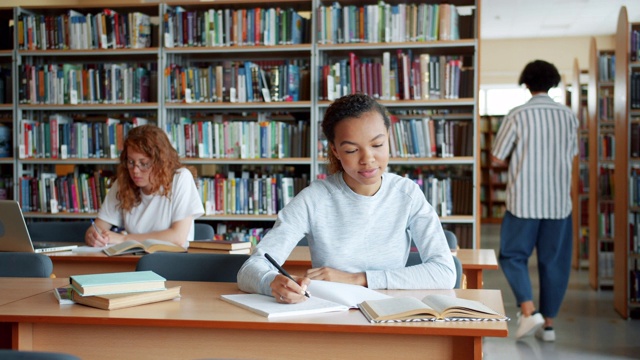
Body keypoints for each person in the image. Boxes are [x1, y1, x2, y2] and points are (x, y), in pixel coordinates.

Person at [237, 93, 456, 304]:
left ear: (389, 138)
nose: (368, 159)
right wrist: (273, 282)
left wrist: (359, 279)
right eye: (351, 150)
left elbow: (444, 272)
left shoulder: (407, 194)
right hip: (332, 313)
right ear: (335, 150)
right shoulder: (314, 199)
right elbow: (250, 269)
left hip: (390, 313)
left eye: (378, 145)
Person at [491, 60, 579, 342]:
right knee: (555, 263)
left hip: (523, 202)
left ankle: (528, 310)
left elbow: (496, 157)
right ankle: (549, 325)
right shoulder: (568, 116)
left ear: (526, 83)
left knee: (512, 255)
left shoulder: (517, 115)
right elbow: (572, 153)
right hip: (557, 202)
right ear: (553, 82)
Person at [85, 124, 204, 248]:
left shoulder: (181, 178)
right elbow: (98, 227)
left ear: (160, 163)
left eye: (144, 163)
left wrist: (124, 239)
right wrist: (93, 236)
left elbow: (177, 237)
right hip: (134, 260)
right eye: (131, 162)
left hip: (173, 260)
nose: (135, 170)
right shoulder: (124, 181)